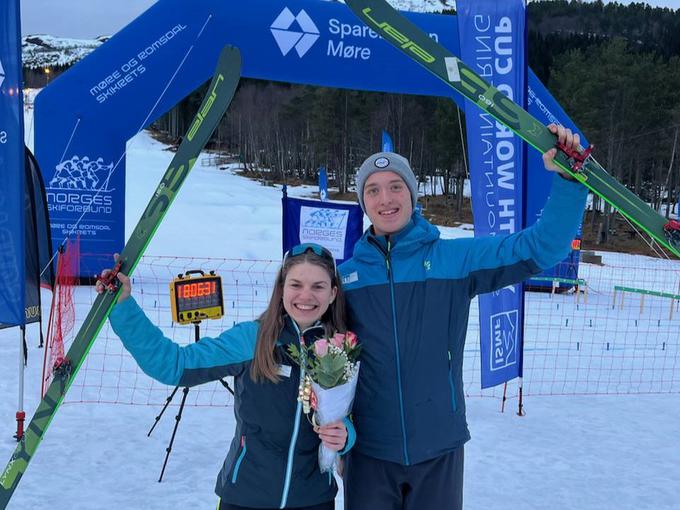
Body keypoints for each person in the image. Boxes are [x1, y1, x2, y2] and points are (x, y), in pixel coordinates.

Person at [338, 125, 588, 509]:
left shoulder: (454, 260)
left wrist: (569, 182)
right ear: (363, 202)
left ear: (412, 194)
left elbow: (543, 246)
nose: (385, 198)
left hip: (438, 446)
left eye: (395, 186)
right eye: (372, 189)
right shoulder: (346, 278)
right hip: (370, 451)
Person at [98, 243, 356, 510]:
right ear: (281, 289)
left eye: (318, 286)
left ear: (333, 293)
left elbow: (355, 415)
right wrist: (124, 307)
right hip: (245, 497)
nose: (306, 295)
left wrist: (345, 434)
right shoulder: (251, 340)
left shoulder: (342, 347)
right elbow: (173, 364)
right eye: (296, 284)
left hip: (313, 500)